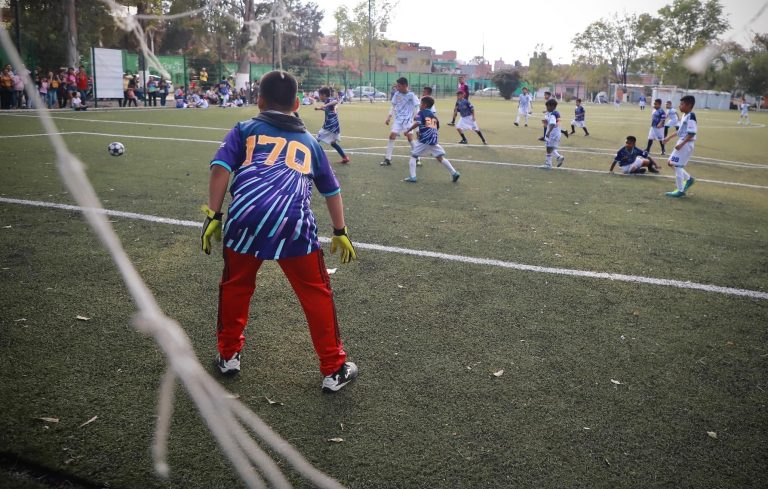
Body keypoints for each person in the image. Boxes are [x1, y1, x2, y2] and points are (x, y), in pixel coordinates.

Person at [200, 70, 358, 392]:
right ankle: (333, 367)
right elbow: (331, 191)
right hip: (293, 223)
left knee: (235, 287)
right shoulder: (310, 143)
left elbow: (220, 168)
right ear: (298, 103)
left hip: (244, 219)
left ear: (259, 101)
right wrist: (340, 231)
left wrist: (213, 215)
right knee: (315, 292)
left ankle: (228, 355)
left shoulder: (244, 129)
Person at [402, 96, 460, 183]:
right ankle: (454, 173)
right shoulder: (433, 115)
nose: (420, 105)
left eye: (421, 104)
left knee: (414, 156)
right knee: (440, 157)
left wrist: (408, 130)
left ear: (424, 105)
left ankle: (413, 177)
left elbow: (417, 122)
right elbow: (437, 126)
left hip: (425, 139)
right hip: (433, 139)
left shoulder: (421, 112)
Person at [662, 95, 697, 198]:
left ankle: (680, 190)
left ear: (689, 105)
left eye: (682, 104)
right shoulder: (684, 116)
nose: (679, 106)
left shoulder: (691, 116)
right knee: (671, 163)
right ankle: (689, 179)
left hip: (686, 144)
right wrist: (669, 137)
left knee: (677, 165)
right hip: (682, 142)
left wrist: (681, 144)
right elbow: (680, 131)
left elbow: (692, 133)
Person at [381, 77, 421, 167]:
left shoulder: (412, 95)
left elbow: (417, 107)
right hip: (398, 120)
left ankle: (417, 158)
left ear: (405, 86)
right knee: (391, 136)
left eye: (399, 86)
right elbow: (393, 106)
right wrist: (389, 117)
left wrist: (417, 116)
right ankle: (388, 159)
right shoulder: (396, 94)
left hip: (408, 120)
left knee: (410, 138)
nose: (397, 88)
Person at [314, 86, 349, 164]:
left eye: (320, 95)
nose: (319, 97)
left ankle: (313, 158)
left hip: (329, 126)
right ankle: (345, 157)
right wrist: (319, 109)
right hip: (334, 126)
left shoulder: (329, 100)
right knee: (333, 143)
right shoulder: (327, 102)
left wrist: (326, 105)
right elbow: (328, 109)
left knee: (316, 140)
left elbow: (335, 101)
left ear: (324, 95)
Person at [540, 98, 565, 169]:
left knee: (548, 148)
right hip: (556, 133)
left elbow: (553, 124)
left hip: (553, 134)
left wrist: (548, 132)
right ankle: (559, 157)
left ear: (552, 106)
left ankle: (548, 164)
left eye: (547, 107)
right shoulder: (555, 112)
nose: (547, 108)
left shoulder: (553, 114)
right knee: (551, 147)